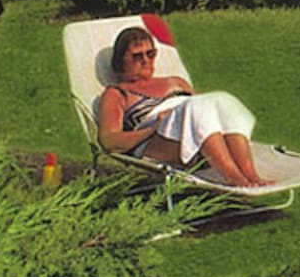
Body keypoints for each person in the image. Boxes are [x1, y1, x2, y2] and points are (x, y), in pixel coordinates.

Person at [97, 25, 272, 188]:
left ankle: (251, 174)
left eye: (150, 54)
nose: (145, 60)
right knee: (197, 105)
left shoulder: (176, 81)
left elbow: (207, 117)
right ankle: (233, 176)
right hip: (156, 140)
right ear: (120, 62)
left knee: (222, 98)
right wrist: (153, 128)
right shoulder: (117, 93)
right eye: (137, 56)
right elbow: (109, 141)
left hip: (195, 134)